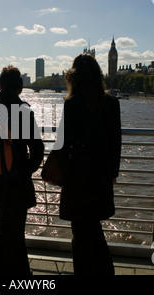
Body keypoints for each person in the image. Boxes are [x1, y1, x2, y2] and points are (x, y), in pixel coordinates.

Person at [58, 53, 122, 275]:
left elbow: (64, 145)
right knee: (92, 228)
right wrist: (113, 173)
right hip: (101, 176)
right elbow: (116, 142)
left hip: (77, 178)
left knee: (82, 232)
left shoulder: (72, 104)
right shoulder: (112, 103)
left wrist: (55, 171)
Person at [0, 66, 44, 275]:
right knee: (16, 234)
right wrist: (24, 171)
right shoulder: (22, 111)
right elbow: (37, 150)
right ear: (19, 86)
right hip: (16, 183)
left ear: (0, 85)